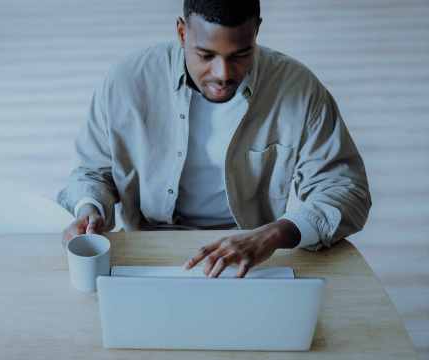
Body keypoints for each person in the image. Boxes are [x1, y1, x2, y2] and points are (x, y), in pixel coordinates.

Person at [57, 0, 371, 278]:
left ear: (256, 31)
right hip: (147, 250)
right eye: (206, 55)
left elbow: (346, 189)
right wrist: (89, 209)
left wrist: (272, 235)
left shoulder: (299, 90)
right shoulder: (127, 82)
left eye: (240, 54)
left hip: (252, 255)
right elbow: (91, 171)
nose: (222, 73)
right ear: (182, 33)